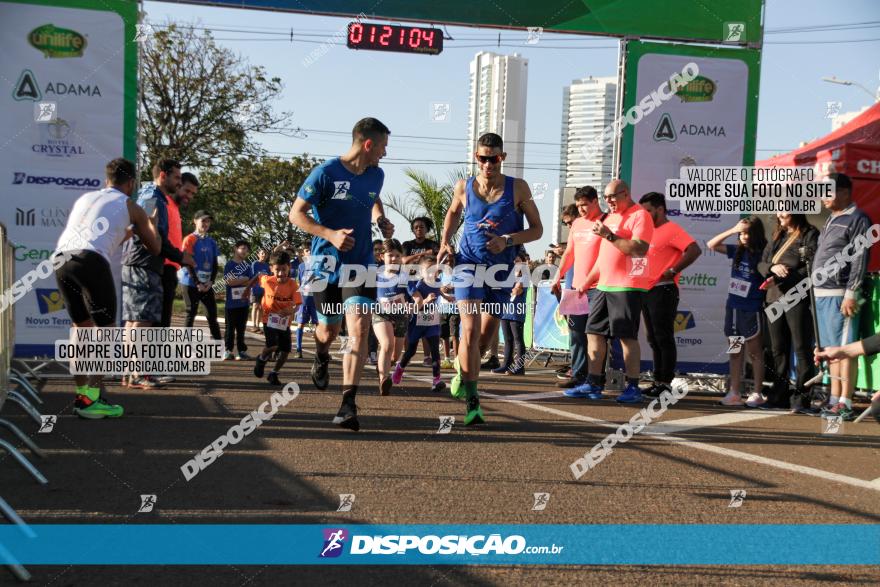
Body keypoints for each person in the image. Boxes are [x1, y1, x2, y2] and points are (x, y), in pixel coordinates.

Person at [289, 117, 395, 431]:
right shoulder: (325, 174)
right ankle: (321, 354)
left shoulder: (376, 174)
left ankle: (347, 404)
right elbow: (296, 214)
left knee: (359, 329)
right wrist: (330, 234)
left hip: (361, 263)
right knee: (328, 332)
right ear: (368, 144)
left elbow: (372, 199)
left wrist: (381, 220)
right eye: (383, 147)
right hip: (326, 264)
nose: (384, 154)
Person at [438, 132, 543, 425]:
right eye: (483, 158)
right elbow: (452, 213)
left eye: (494, 158)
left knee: (484, 341)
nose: (488, 164)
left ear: (502, 158)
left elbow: (537, 230)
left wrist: (508, 240)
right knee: (469, 332)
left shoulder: (518, 188)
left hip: (500, 270)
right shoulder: (464, 186)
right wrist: (445, 242)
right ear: (476, 158)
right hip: (468, 264)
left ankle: (463, 371)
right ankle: (473, 401)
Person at [54, 158, 160, 418]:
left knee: (81, 331)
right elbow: (155, 248)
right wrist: (151, 225)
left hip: (61, 260)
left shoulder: (86, 198)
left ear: (107, 180)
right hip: (91, 260)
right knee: (106, 334)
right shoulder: (131, 206)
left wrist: (128, 232)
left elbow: (98, 234)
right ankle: (94, 399)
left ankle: (82, 398)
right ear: (131, 183)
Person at [574, 179, 654, 403]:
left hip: (627, 285)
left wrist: (609, 234)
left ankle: (633, 386)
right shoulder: (609, 216)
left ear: (625, 194)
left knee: (626, 337)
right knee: (593, 332)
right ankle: (592, 383)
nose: (608, 201)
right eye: (606, 197)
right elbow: (603, 257)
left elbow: (638, 249)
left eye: (612, 197)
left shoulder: (640, 215)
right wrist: (586, 281)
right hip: (602, 285)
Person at [121, 158, 195, 389]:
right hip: (144, 263)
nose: (178, 181)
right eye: (176, 177)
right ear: (163, 175)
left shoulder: (154, 196)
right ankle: (140, 372)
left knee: (135, 320)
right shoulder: (153, 196)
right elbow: (150, 234)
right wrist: (179, 256)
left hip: (142, 262)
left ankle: (132, 372)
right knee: (142, 320)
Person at [813, 173, 872, 421]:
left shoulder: (858, 218)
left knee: (844, 349)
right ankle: (834, 399)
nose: (823, 197)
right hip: (821, 293)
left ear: (845, 192)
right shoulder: (830, 219)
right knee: (831, 350)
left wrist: (851, 292)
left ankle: (845, 402)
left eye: (828, 191)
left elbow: (859, 258)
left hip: (840, 294)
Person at [637, 192, 701, 397]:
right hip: (646, 290)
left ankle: (665, 382)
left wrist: (673, 270)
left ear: (660, 209)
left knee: (663, 337)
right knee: (653, 338)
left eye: (648, 211)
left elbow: (694, 250)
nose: (645, 216)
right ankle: (658, 380)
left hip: (664, 289)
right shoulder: (646, 232)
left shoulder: (671, 229)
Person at [757, 213, 819, 409]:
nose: (779, 214)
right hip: (773, 298)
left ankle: (801, 397)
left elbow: (811, 269)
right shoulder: (778, 235)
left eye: (784, 209)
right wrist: (772, 268)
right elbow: (761, 264)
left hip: (798, 298)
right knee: (777, 350)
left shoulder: (810, 234)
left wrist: (783, 278)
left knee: (802, 349)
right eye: (778, 210)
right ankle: (778, 396)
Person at [707, 218, 768, 406]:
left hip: (751, 309)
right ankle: (734, 392)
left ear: (756, 234)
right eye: (742, 233)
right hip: (733, 308)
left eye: (747, 233)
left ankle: (757, 393)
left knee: (755, 352)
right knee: (734, 352)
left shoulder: (762, 253)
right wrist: (733, 229)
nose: (744, 236)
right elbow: (711, 244)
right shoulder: (736, 251)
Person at [554, 189, 603, 391]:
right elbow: (569, 253)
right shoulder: (576, 224)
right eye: (579, 205)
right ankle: (579, 375)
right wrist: (558, 276)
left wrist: (589, 281)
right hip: (576, 289)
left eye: (585, 204)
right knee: (575, 333)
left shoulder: (606, 221)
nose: (581, 209)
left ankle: (595, 378)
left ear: (595, 201)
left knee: (594, 335)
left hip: (598, 287)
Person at [392, 255, 451, 392]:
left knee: (435, 352)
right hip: (417, 322)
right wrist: (426, 301)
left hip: (432, 322)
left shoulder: (437, 282)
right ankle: (400, 368)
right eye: (428, 271)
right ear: (421, 272)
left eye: (434, 271)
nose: (432, 274)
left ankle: (436, 381)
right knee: (411, 351)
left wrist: (446, 296)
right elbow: (415, 304)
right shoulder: (419, 285)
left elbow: (438, 291)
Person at [248, 251, 302, 385]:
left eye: (284, 270)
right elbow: (257, 277)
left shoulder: (292, 284)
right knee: (273, 345)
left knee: (285, 351)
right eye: (277, 270)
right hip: (269, 319)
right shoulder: (267, 280)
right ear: (271, 269)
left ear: (289, 267)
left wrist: (291, 309)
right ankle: (261, 359)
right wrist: (246, 291)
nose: (281, 273)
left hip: (284, 322)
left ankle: (274, 373)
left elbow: (298, 305)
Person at [372, 239, 410, 394]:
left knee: (394, 355)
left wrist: (414, 304)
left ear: (401, 257)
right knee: (387, 345)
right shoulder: (375, 275)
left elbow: (416, 295)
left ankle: (383, 366)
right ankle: (383, 379)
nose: (393, 259)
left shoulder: (406, 276)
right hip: (381, 313)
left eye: (397, 255)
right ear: (382, 257)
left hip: (401, 315)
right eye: (390, 255)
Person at [161, 172, 198, 328]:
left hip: (170, 271)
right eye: (186, 190)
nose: (189, 196)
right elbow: (157, 238)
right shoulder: (164, 203)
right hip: (160, 269)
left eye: (192, 193)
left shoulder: (175, 208)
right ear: (177, 186)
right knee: (154, 325)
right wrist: (181, 257)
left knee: (161, 326)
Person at [179, 211, 222, 340]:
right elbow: (187, 263)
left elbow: (215, 264)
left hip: (207, 285)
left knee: (212, 315)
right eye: (203, 220)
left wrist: (211, 282)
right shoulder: (190, 239)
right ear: (195, 221)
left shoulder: (212, 242)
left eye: (208, 221)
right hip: (191, 283)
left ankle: (219, 345)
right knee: (191, 314)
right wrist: (197, 282)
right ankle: (186, 347)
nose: (206, 224)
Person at [492, 252, 528, 375]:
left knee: (518, 340)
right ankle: (506, 364)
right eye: (513, 261)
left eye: (517, 261)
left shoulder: (524, 276)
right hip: (505, 311)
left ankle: (520, 367)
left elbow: (517, 290)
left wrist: (506, 289)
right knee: (508, 340)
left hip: (516, 312)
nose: (515, 263)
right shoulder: (508, 276)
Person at [223, 240, 253, 361]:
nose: (244, 251)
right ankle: (228, 351)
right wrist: (244, 279)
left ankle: (241, 351)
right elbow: (229, 282)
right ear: (235, 249)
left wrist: (241, 280)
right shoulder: (229, 265)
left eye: (246, 249)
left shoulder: (247, 266)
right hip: (231, 304)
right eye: (242, 248)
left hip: (244, 302)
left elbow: (250, 281)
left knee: (241, 329)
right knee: (230, 329)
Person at [294, 245, 319, 359]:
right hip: (304, 299)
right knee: (301, 323)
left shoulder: (319, 265)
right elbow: (299, 282)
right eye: (307, 250)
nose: (310, 252)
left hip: (316, 300)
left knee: (318, 325)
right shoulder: (301, 266)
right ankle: (298, 349)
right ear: (303, 253)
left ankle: (321, 351)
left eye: (311, 249)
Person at [250, 249, 270, 333]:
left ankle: (258, 326)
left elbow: (269, 277)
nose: (263, 255)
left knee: (261, 308)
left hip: (264, 289)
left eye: (265, 254)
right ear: (258, 254)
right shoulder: (255, 264)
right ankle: (253, 325)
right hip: (255, 289)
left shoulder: (267, 265)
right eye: (262, 253)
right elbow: (253, 276)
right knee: (255, 306)